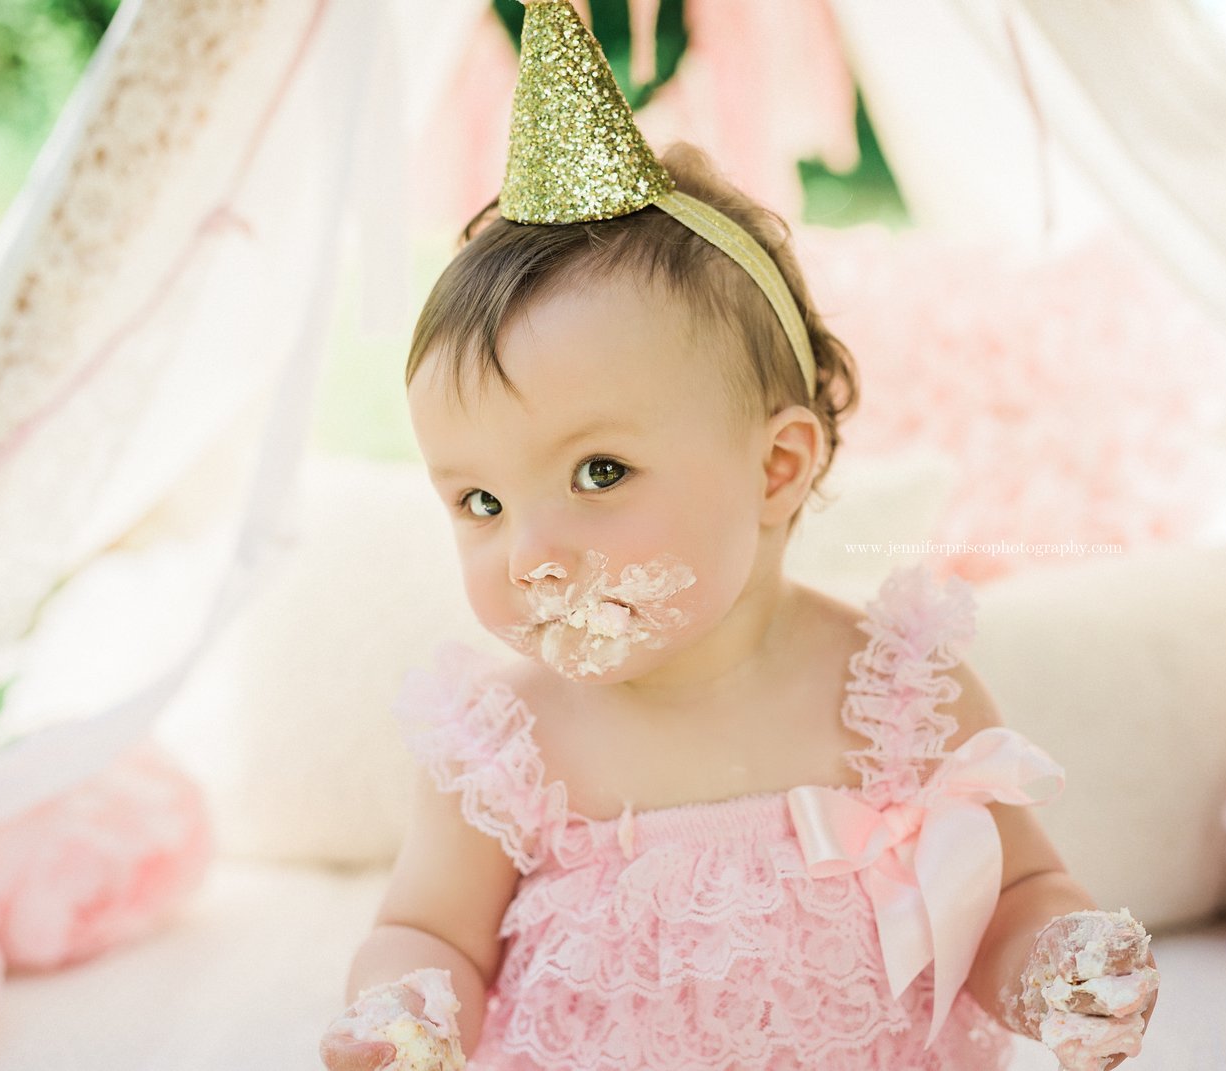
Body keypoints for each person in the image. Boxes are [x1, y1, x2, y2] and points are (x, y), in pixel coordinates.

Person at [321, 3, 1159, 1068]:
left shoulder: (899, 698)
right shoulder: (506, 748)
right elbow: (428, 931)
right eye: (479, 501)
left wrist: (1060, 966)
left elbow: (1014, 892)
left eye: (600, 473)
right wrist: (409, 1010)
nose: (529, 550)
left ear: (777, 468)